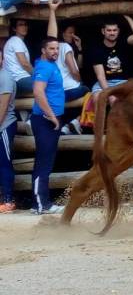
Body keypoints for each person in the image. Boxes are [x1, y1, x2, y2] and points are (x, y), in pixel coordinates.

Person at [30, 37, 65, 214]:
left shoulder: (50, 64)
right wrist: (51, 116)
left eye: (57, 48)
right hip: (45, 119)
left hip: (52, 118)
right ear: (43, 50)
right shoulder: (43, 67)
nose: (55, 51)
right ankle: (39, 204)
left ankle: (45, 203)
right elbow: (38, 92)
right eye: (51, 48)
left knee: (47, 161)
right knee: (43, 162)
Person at [46, 0, 89, 102]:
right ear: (62, 34)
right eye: (70, 33)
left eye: (74, 33)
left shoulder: (56, 47)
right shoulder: (65, 46)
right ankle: (78, 118)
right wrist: (79, 80)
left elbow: (79, 66)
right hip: (69, 90)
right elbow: (74, 71)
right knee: (88, 88)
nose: (73, 35)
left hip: (56, 91)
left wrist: (79, 49)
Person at [90, 16, 133, 93]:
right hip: (104, 82)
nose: (112, 33)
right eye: (109, 30)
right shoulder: (96, 49)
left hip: (122, 82)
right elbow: (100, 77)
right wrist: (109, 93)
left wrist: (127, 16)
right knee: (97, 97)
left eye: (114, 30)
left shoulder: (123, 42)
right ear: (103, 31)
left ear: (118, 31)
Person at [0, 49, 17, 213]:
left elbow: (3, 107)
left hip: (3, 126)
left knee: (4, 163)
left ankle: (8, 201)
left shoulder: (5, 77)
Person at [3, 19, 32, 94]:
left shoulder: (15, 41)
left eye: (25, 24)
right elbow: (24, 63)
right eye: (20, 25)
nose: (24, 27)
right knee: (48, 85)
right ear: (14, 29)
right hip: (19, 79)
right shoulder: (16, 40)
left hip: (18, 79)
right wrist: (37, 74)